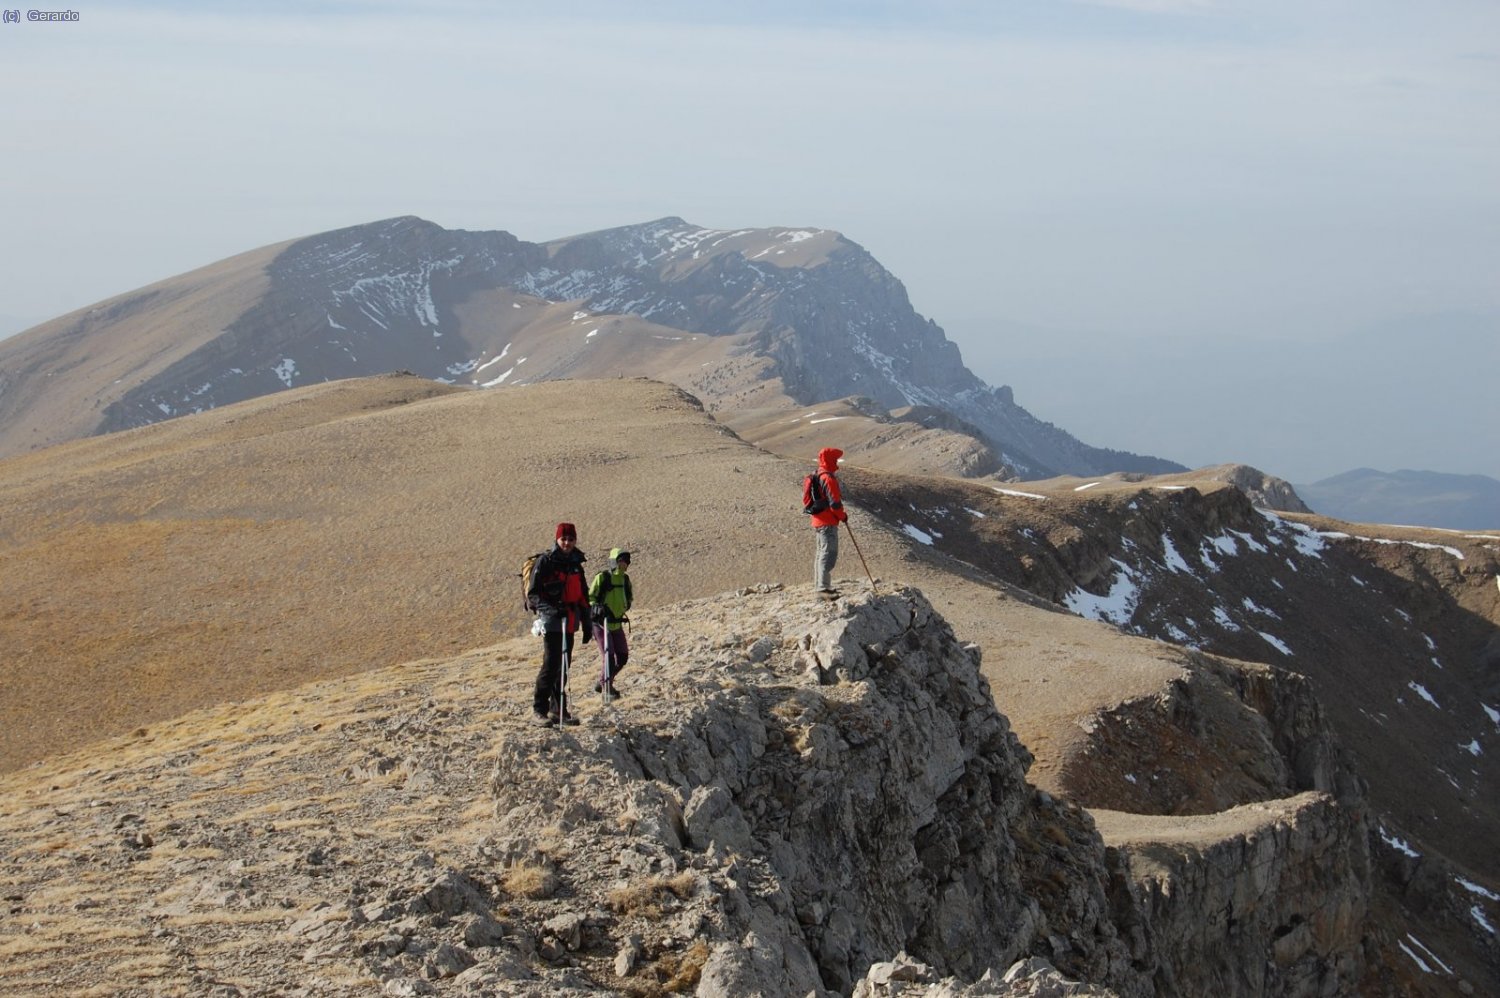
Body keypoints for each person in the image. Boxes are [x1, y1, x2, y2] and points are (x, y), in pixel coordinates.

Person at [528, 522, 592, 726]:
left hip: (570, 620)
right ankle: (539, 710)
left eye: (570, 539)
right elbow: (533, 594)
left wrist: (587, 620)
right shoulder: (545, 562)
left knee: (564, 665)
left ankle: (558, 710)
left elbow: (583, 594)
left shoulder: (575, 564)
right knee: (552, 664)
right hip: (553, 621)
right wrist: (552, 610)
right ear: (557, 539)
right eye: (563, 539)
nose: (567, 543)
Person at [589, 548, 634, 697]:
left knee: (622, 657)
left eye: (626, 562)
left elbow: (629, 598)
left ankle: (604, 681)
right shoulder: (603, 577)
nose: (623, 564)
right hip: (601, 624)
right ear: (614, 561)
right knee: (608, 656)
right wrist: (597, 608)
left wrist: (624, 607)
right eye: (620, 561)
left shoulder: (625, 580)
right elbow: (590, 597)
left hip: (616, 623)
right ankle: (606, 687)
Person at [809, 447, 847, 595]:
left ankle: (819, 584)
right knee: (828, 554)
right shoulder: (828, 478)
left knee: (821, 553)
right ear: (830, 460)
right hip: (828, 522)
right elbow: (835, 504)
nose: (837, 461)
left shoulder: (817, 474)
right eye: (835, 459)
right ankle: (823, 587)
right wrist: (842, 516)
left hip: (818, 521)